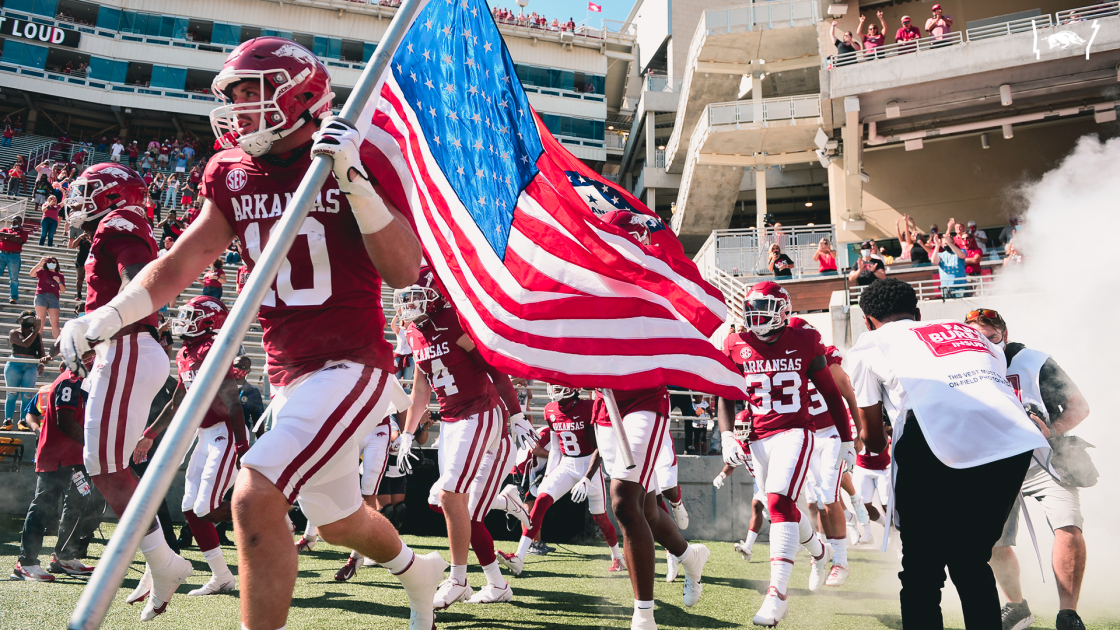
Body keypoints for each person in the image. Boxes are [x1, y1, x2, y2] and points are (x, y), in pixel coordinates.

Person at [60, 38, 441, 629]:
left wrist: (356, 182)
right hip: (289, 367)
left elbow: (403, 269)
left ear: (304, 95)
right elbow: (181, 264)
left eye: (252, 94)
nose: (239, 110)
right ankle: (419, 572)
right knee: (338, 519)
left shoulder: (359, 154)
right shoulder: (231, 172)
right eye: (233, 97)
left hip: (353, 362)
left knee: (255, 494)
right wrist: (109, 315)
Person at [845, 279, 1047, 630]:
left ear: (867, 320)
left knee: (922, 571)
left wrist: (864, 436)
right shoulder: (967, 331)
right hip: (1012, 443)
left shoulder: (869, 344)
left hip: (935, 443)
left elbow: (874, 442)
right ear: (919, 313)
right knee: (970, 562)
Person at [56, 163, 186, 621]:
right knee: (115, 467)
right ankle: (158, 558)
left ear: (111, 195)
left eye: (88, 191)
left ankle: (164, 561)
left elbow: (140, 280)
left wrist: (100, 324)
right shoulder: (108, 228)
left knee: (104, 468)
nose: (77, 200)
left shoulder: (120, 222)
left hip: (128, 345)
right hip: (124, 348)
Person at [717, 282, 854, 626]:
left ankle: (777, 595)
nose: (755, 315)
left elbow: (831, 392)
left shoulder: (803, 337)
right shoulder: (737, 343)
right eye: (751, 308)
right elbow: (724, 391)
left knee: (777, 502)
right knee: (785, 507)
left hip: (796, 431)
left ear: (782, 310)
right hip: (759, 437)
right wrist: (727, 435)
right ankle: (820, 552)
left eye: (763, 307)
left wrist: (847, 438)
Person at [396, 270, 534, 606]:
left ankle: (458, 578)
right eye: (407, 297)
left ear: (435, 294)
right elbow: (420, 392)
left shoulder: (455, 319)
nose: (410, 303)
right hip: (452, 420)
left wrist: (516, 414)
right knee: (448, 503)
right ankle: (497, 583)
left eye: (417, 295)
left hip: (481, 412)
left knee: (450, 497)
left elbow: (494, 368)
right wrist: (407, 434)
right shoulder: (415, 332)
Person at [964, 309, 1091, 630]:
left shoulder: (1033, 361)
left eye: (991, 338)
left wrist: (1050, 429)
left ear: (1004, 333)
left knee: (1068, 522)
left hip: (1044, 459)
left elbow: (1079, 406)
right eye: (978, 339)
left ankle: (1067, 613)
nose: (986, 346)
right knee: (991, 538)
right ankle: (1017, 606)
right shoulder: (963, 363)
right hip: (993, 462)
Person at [137, 296, 247, 597]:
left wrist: (242, 445)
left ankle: (265, 514)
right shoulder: (186, 352)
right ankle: (222, 576)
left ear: (209, 321)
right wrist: (149, 434)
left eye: (191, 315)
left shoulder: (213, 348)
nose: (183, 320)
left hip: (226, 432)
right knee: (189, 508)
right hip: (206, 434)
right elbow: (177, 402)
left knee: (205, 507)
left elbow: (232, 400)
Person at [498, 384, 625, 576]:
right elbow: (556, 447)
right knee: (540, 501)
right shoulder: (550, 409)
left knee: (600, 517)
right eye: (553, 387)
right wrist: (550, 474)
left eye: (559, 387)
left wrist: (587, 479)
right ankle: (519, 557)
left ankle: (617, 557)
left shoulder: (588, 406)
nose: (554, 390)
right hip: (566, 464)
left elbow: (599, 447)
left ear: (573, 388)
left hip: (589, 465)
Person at [13, 363, 98, 581]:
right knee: (44, 504)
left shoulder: (87, 383)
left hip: (76, 456)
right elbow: (65, 421)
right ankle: (26, 562)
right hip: (57, 456)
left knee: (78, 503)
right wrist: (93, 445)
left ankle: (65, 557)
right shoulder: (69, 381)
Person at [802, 339, 864, 587]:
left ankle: (841, 561)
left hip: (831, 434)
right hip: (803, 435)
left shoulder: (825, 357)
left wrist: (858, 434)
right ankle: (819, 556)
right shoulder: (783, 360)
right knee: (816, 501)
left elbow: (849, 394)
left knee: (828, 494)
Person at [6, 312, 44, 428]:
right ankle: (8, 420)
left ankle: (23, 421)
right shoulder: (14, 332)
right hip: (15, 363)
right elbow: (25, 343)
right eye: (26, 319)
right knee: (12, 393)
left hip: (31, 365)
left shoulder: (37, 335)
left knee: (27, 395)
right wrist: (36, 330)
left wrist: (41, 362)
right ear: (20, 320)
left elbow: (41, 349)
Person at [30, 257, 66, 340]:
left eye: (53, 262)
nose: (51, 264)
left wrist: (59, 282)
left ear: (56, 264)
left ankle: (58, 344)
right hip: (41, 295)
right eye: (49, 262)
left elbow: (63, 290)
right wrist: (39, 263)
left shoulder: (60, 275)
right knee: (41, 320)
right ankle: (37, 342)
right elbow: (32, 274)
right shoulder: (42, 272)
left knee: (55, 322)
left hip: (54, 298)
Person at [932, 220, 968, 298]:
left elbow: (962, 256)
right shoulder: (940, 255)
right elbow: (934, 261)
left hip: (960, 286)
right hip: (946, 287)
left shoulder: (961, 251)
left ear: (953, 243)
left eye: (948, 243)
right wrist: (937, 245)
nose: (946, 244)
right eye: (944, 243)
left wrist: (949, 242)